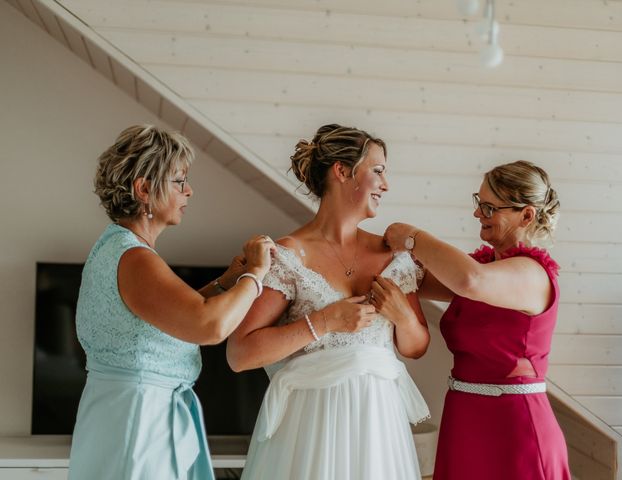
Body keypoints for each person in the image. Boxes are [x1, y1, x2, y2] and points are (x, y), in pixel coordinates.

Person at [68, 124, 275, 480]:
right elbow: (209, 326)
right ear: (144, 188)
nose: (189, 191)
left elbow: (165, 319)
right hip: (139, 425)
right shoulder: (134, 259)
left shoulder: (118, 248)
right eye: (179, 181)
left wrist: (225, 283)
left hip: (123, 417)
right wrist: (255, 273)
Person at [226, 124, 431, 480]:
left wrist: (404, 319)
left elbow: (415, 349)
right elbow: (240, 353)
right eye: (378, 171)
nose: (386, 184)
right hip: (310, 430)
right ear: (341, 171)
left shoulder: (393, 256)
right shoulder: (290, 255)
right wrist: (324, 322)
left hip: (379, 428)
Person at [382, 160, 570, 480]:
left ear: (527, 215)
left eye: (489, 207)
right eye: (478, 202)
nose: (477, 214)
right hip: (464, 418)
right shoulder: (482, 268)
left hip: (514, 428)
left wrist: (413, 236)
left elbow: (470, 281)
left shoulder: (532, 275)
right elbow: (418, 278)